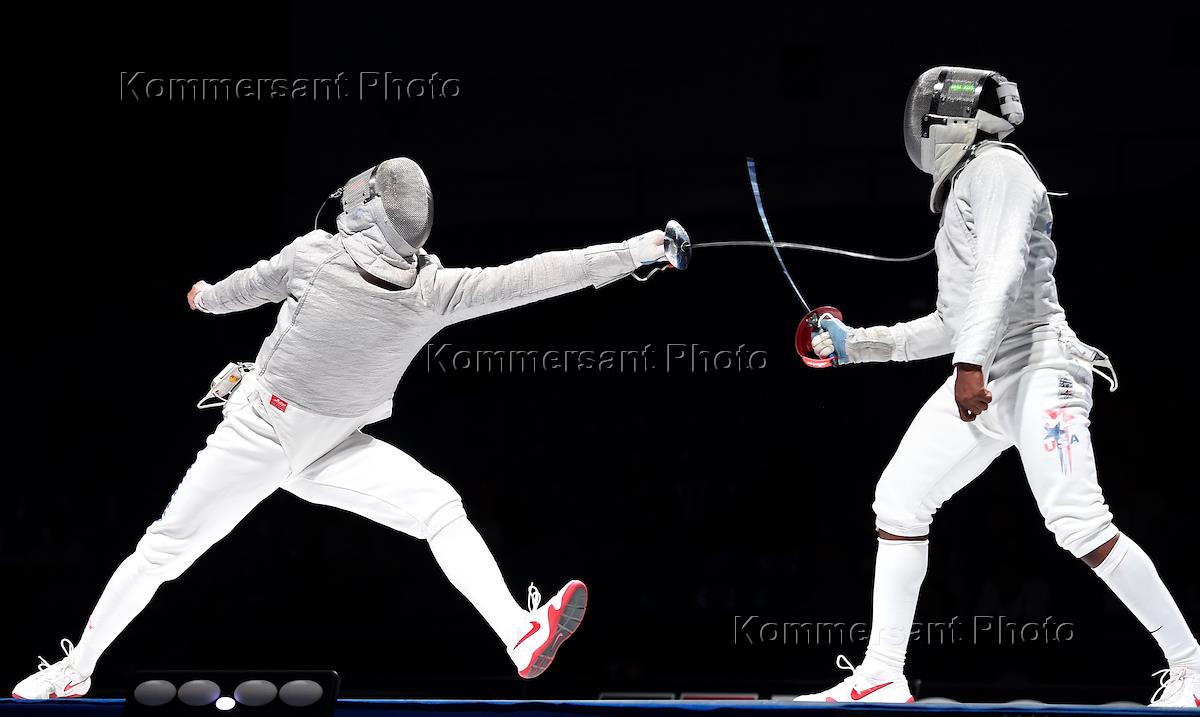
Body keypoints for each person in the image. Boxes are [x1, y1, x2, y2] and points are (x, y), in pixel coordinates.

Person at [13, 157, 671, 699]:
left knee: (434, 507)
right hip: (274, 434)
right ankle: (78, 668)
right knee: (170, 549)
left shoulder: (319, 257)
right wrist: (636, 252)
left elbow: (246, 287)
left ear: (369, 210)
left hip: (306, 441)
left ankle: (520, 636)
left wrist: (205, 297)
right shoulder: (432, 291)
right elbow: (540, 276)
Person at [792, 67, 1199, 708]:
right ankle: (882, 674)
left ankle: (1192, 668)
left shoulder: (998, 168)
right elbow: (952, 322)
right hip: (989, 374)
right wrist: (854, 345)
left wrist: (970, 366)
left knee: (1078, 523)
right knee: (899, 500)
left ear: (948, 121)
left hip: (1040, 369)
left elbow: (1004, 271)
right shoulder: (967, 185)